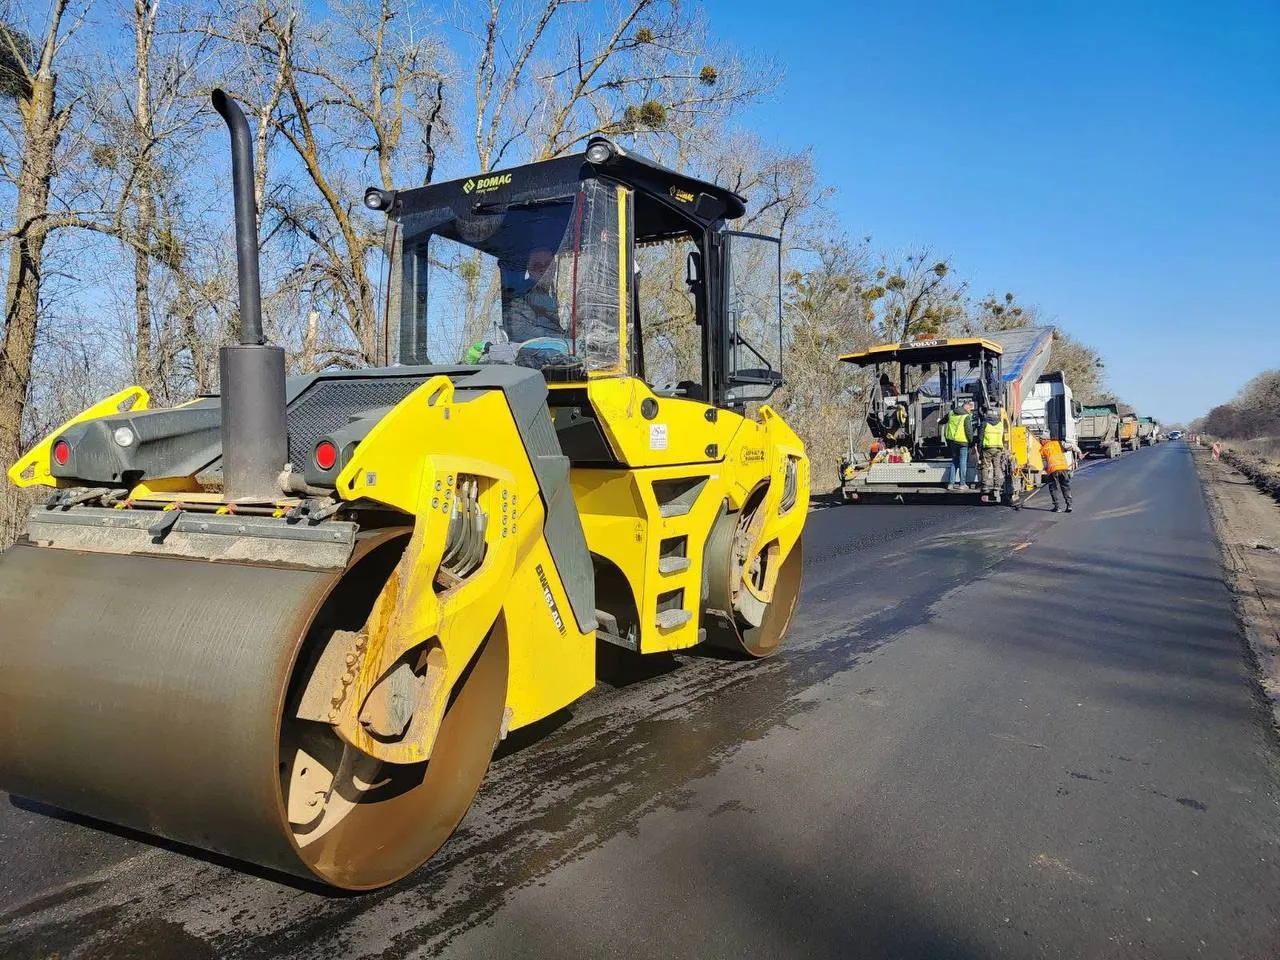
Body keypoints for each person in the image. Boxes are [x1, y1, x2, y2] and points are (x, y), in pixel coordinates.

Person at [503, 246, 565, 344]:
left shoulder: (550, 296)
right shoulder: (519, 296)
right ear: (529, 269)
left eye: (548, 265)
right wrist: (564, 338)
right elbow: (522, 334)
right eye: (536, 266)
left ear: (554, 267)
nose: (543, 270)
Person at [1038, 429, 1082, 513]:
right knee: (1065, 487)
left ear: (1045, 440)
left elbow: (1045, 464)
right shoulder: (1059, 443)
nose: (1040, 441)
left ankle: (1057, 507)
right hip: (1063, 469)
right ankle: (1069, 506)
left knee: (1053, 489)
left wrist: (1047, 474)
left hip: (1052, 471)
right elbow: (1073, 446)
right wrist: (1079, 453)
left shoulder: (1043, 449)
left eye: (1041, 439)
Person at [943, 398, 975, 490]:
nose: (970, 411)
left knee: (954, 462)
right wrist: (971, 442)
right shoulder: (966, 416)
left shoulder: (951, 413)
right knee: (963, 462)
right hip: (963, 443)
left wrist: (939, 421)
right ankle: (962, 484)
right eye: (970, 409)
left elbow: (943, 421)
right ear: (967, 408)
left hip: (952, 442)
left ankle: (951, 484)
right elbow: (969, 431)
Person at [979, 404, 1009, 498]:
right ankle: (997, 486)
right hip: (998, 448)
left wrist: (979, 449)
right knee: (997, 467)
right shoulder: (1000, 424)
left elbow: (980, 437)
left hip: (987, 448)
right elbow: (1004, 437)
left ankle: (985, 485)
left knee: (985, 467)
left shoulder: (985, 423)